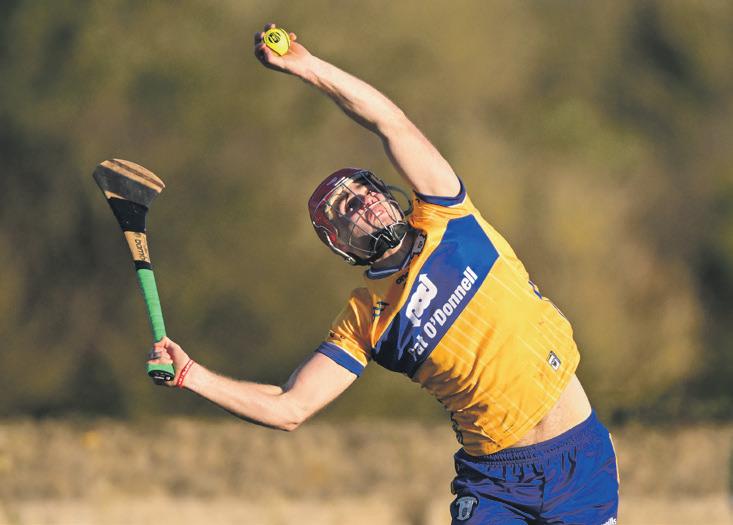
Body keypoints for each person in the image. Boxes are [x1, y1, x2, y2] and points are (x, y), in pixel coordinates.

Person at [147, 23, 619, 524]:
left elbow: (389, 123)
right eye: (346, 208)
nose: (362, 203)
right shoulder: (366, 317)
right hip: (496, 484)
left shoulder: (447, 214)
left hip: (581, 463)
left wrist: (308, 67)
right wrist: (193, 376)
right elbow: (289, 408)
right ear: (339, 241)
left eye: (364, 191)